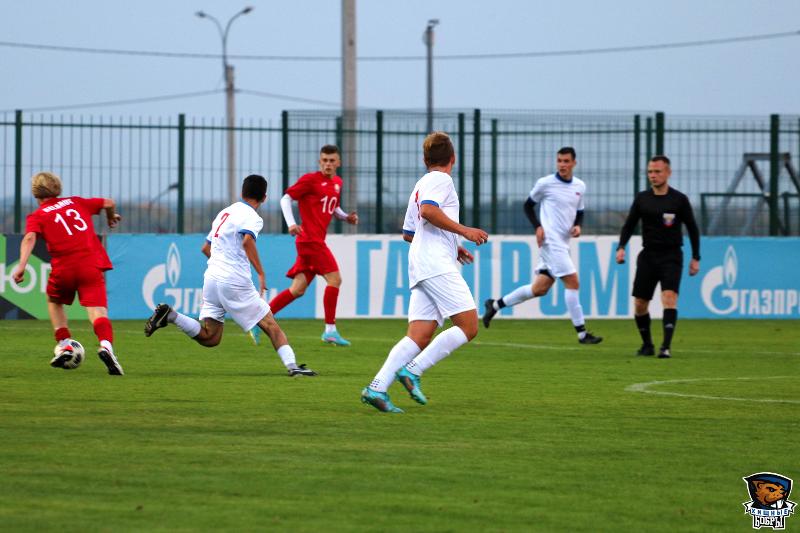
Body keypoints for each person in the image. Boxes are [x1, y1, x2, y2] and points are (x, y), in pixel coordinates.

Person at [361, 131, 488, 413]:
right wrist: (464, 231)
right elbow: (429, 212)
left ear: (424, 159)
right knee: (469, 326)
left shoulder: (421, 184)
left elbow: (409, 233)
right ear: (453, 158)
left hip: (422, 262)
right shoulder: (442, 180)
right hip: (434, 264)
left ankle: (377, 387)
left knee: (418, 335)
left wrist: (454, 246)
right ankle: (413, 370)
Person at [144, 174, 316, 377]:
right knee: (271, 325)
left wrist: (221, 266)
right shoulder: (253, 217)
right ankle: (293, 367)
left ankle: (171, 315)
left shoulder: (224, 213)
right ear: (264, 197)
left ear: (242, 193)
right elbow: (247, 241)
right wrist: (260, 273)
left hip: (212, 278)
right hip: (234, 281)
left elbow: (205, 248)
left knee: (211, 337)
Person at [482, 147, 602, 344]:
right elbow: (528, 205)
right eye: (559, 160)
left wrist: (578, 226)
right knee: (573, 282)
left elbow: (580, 211)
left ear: (574, 163)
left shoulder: (579, 186)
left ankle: (494, 305)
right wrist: (538, 226)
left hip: (563, 243)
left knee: (540, 288)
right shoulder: (546, 183)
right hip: (550, 242)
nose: (562, 164)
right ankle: (582, 334)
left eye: (566, 161)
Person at [12, 171, 124, 375]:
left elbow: (29, 238)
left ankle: (65, 343)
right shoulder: (76, 202)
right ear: (57, 187)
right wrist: (110, 217)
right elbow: (109, 202)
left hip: (64, 269)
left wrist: (21, 265)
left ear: (35, 193)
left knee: (54, 301)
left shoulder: (38, 215)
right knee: (97, 311)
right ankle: (106, 346)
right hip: (90, 265)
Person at [268, 145, 359, 347]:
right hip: (310, 241)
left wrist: (346, 217)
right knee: (335, 279)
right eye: (324, 160)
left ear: (338, 163)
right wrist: (291, 223)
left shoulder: (337, 182)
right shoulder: (310, 180)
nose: (328, 164)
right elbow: (286, 199)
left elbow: (333, 206)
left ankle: (261, 318)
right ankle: (330, 331)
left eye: (332, 160)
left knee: (297, 289)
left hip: (312, 241)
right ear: (319, 162)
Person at [615, 155, 700, 358]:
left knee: (669, 298)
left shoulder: (679, 200)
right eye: (650, 172)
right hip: (648, 256)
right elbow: (629, 225)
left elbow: (692, 228)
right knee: (640, 304)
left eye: (657, 171)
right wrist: (621, 247)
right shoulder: (642, 199)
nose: (653, 175)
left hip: (671, 256)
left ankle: (666, 347)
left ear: (668, 173)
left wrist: (696, 257)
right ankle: (647, 345)